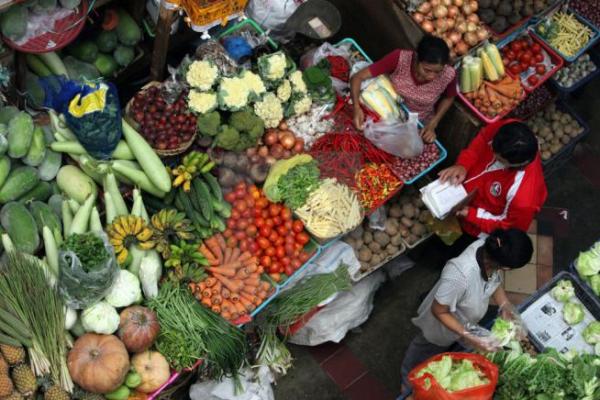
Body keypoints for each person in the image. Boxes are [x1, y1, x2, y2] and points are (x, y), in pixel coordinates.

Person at [400, 228, 533, 391]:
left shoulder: (491, 251)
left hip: (464, 322)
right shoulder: (459, 275)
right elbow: (439, 310)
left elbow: (493, 281)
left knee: (448, 350)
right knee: (424, 349)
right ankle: (407, 384)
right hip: (440, 327)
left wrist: (504, 304)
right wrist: (469, 336)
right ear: (506, 267)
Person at [438, 119, 547, 241]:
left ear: (519, 164)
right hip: (464, 195)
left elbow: (507, 228)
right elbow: (483, 139)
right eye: (492, 150)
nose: (493, 157)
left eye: (499, 160)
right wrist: (463, 165)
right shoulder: (508, 129)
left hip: (478, 225)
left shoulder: (524, 199)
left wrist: (471, 214)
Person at [350, 35, 457, 142]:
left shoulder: (448, 75)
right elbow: (358, 77)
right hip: (386, 110)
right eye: (427, 70)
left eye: (438, 72)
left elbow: (449, 97)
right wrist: (356, 107)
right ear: (416, 58)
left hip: (420, 121)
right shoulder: (399, 59)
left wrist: (434, 122)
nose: (432, 77)